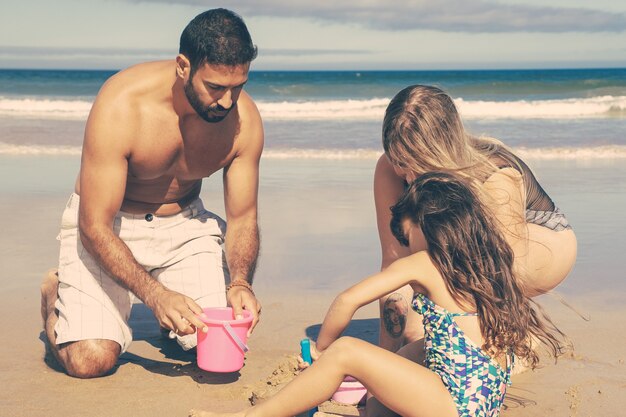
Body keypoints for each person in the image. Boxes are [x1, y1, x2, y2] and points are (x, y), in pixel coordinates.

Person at [189, 172, 566, 417]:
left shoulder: (426, 263)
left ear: (427, 223)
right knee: (404, 369)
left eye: (407, 234)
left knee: (347, 351)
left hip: (455, 405)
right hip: (485, 399)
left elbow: (347, 301)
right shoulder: (482, 261)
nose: (405, 244)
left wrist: (322, 350)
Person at [40, 8, 263, 378]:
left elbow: (242, 218)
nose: (227, 101)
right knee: (91, 360)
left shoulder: (244, 122)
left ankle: (172, 312)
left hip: (185, 227)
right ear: (183, 66)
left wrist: (240, 282)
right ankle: (54, 296)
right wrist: (155, 296)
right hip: (110, 228)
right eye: (215, 87)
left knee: (215, 346)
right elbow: (93, 225)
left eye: (237, 87)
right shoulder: (122, 104)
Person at [374, 85, 577, 355]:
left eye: (418, 162)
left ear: (442, 149)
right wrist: (386, 352)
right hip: (466, 252)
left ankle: (519, 336)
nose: (408, 175)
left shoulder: (494, 176)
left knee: (460, 342)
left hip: (538, 246)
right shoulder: (390, 170)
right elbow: (395, 262)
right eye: (400, 160)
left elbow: (503, 269)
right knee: (414, 336)